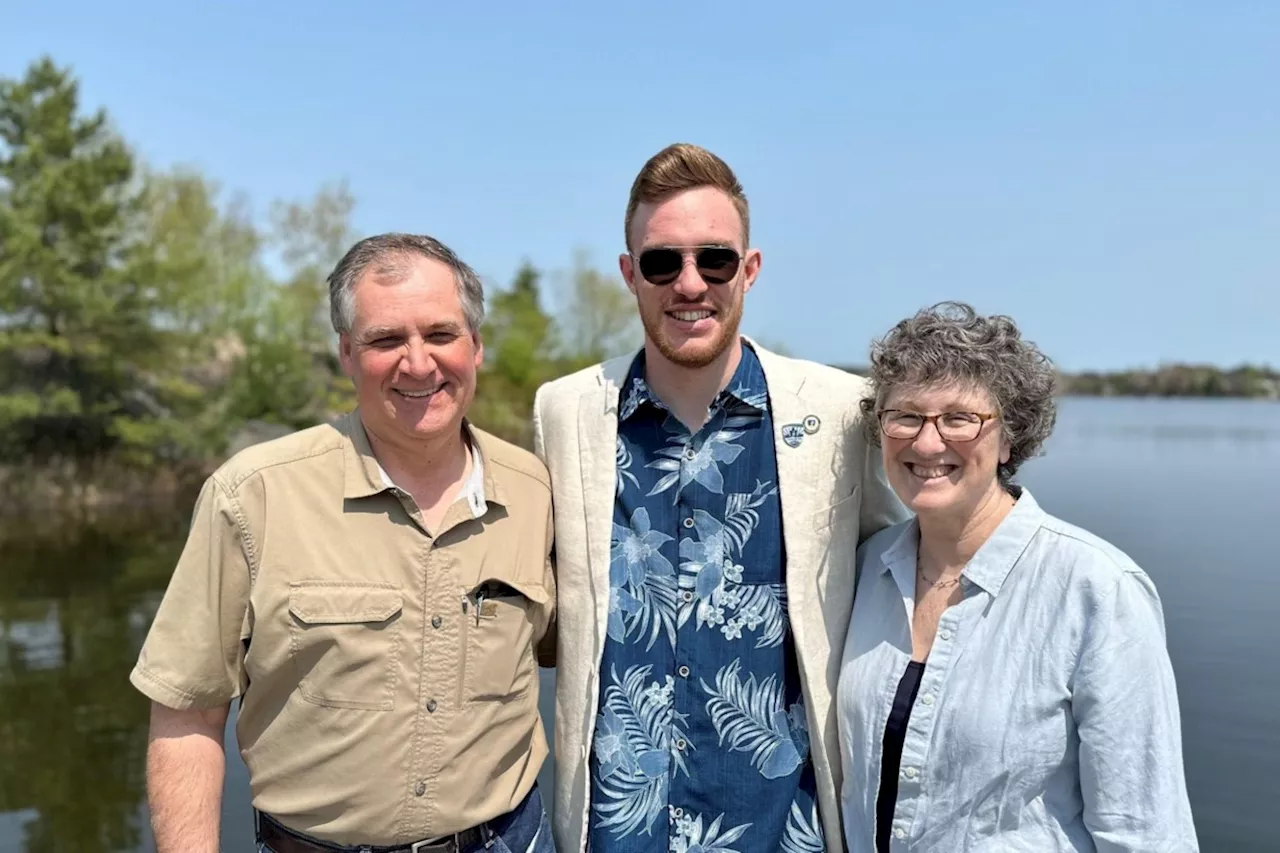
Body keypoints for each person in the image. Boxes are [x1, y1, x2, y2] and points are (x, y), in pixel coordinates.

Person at [532, 142, 909, 853]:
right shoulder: (566, 412)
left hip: (787, 828)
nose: (690, 283)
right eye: (661, 262)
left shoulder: (839, 410)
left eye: (715, 260)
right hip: (614, 831)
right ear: (629, 275)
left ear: (751, 269)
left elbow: (902, 573)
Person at [130, 233, 558, 853]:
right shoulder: (252, 495)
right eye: (386, 340)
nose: (418, 364)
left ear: (477, 347)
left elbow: (578, 661)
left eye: (441, 334)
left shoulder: (537, 491)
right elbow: (188, 712)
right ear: (347, 354)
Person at [837, 301, 1199, 852]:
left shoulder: (1096, 590)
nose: (928, 443)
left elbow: (1145, 832)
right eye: (905, 415)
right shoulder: (864, 570)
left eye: (960, 418)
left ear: (1010, 437)